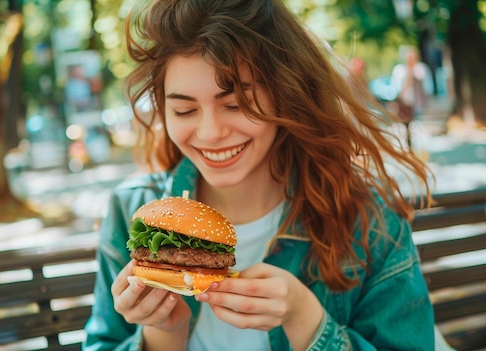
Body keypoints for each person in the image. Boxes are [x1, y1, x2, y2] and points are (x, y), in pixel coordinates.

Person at [83, 1, 435, 350]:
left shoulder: (370, 222)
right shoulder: (130, 210)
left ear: (286, 93)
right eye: (184, 109)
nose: (210, 132)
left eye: (235, 104)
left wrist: (303, 318)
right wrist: (163, 333)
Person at [389, 46, 433, 149]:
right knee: (406, 125)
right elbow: (396, 88)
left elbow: (427, 87)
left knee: (417, 126)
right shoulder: (400, 70)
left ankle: (418, 148)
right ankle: (409, 146)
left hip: (418, 103)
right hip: (404, 103)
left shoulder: (421, 69)